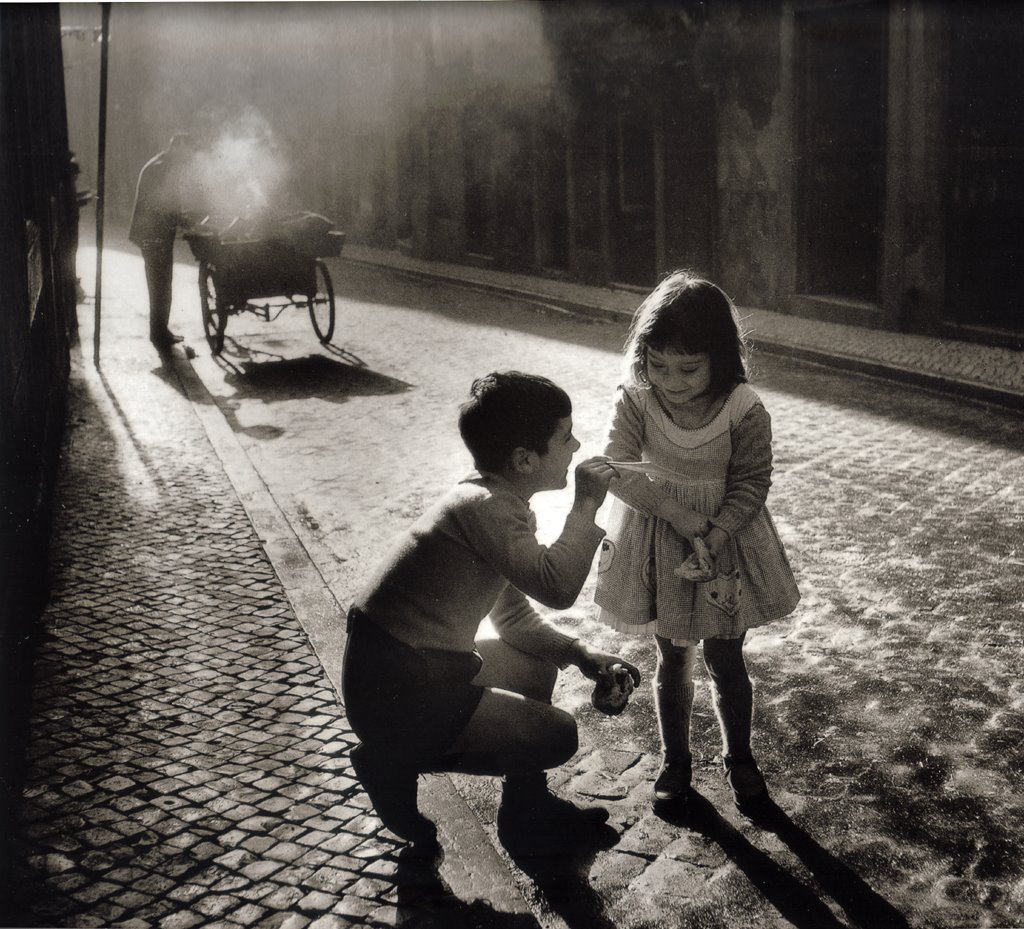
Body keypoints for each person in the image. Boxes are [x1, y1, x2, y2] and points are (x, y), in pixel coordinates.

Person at [342, 371, 641, 852]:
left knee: (536, 665)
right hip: (399, 689)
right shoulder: (489, 508)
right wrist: (586, 503)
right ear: (524, 459)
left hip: (394, 674)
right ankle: (392, 759)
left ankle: (527, 809)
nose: (577, 444)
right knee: (559, 737)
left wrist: (583, 655)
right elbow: (558, 588)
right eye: (564, 437)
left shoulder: (485, 500)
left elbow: (514, 619)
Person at [594, 271, 800, 813]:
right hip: (659, 537)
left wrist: (716, 529)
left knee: (727, 657)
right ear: (643, 358)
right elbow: (618, 466)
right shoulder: (637, 398)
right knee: (672, 655)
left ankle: (739, 756)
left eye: (688, 368)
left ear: (720, 358)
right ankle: (675, 758)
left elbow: (753, 480)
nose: (672, 380)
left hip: (726, 544)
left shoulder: (743, 406)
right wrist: (677, 515)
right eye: (658, 365)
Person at [128, 133, 194, 348]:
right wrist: (184, 220)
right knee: (160, 283)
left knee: (161, 283)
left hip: (155, 233)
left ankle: (160, 331)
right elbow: (162, 204)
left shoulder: (162, 163)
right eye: (187, 151)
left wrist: (181, 218)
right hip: (153, 234)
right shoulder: (160, 167)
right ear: (177, 147)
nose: (187, 157)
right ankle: (159, 333)